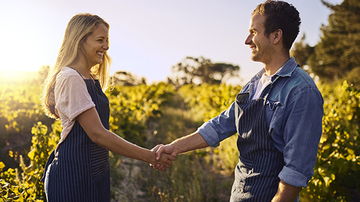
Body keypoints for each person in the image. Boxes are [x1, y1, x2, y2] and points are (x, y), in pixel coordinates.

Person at [153, 1, 324, 201]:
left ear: (276, 36)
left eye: (254, 32)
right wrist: (174, 147)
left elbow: (296, 170)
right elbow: (221, 125)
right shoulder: (253, 84)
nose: (247, 40)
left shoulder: (301, 91)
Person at [40, 13, 174, 202]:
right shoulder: (70, 77)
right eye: (100, 40)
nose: (106, 46)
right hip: (73, 175)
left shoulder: (90, 79)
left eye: (107, 40)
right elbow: (97, 134)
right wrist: (150, 156)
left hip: (96, 170)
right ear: (80, 40)